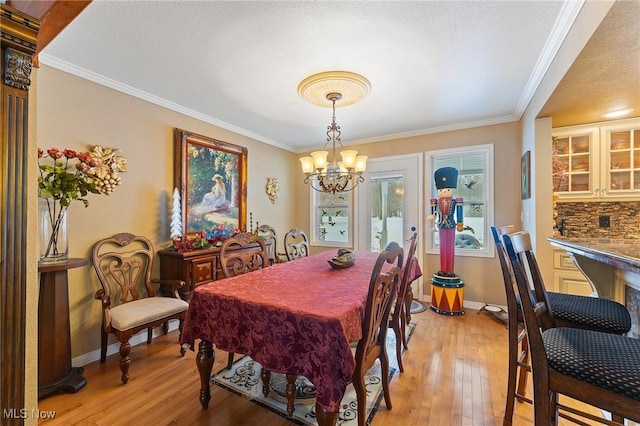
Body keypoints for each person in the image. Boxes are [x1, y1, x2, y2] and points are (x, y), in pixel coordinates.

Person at [428, 166, 464, 277]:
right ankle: (443, 268)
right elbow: (434, 212)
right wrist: (432, 217)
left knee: (450, 247)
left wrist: (460, 223)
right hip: (441, 225)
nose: (444, 191)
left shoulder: (455, 201)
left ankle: (450, 269)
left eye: (447, 190)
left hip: (451, 224)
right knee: (442, 248)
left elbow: (459, 212)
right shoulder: (437, 201)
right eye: (441, 190)